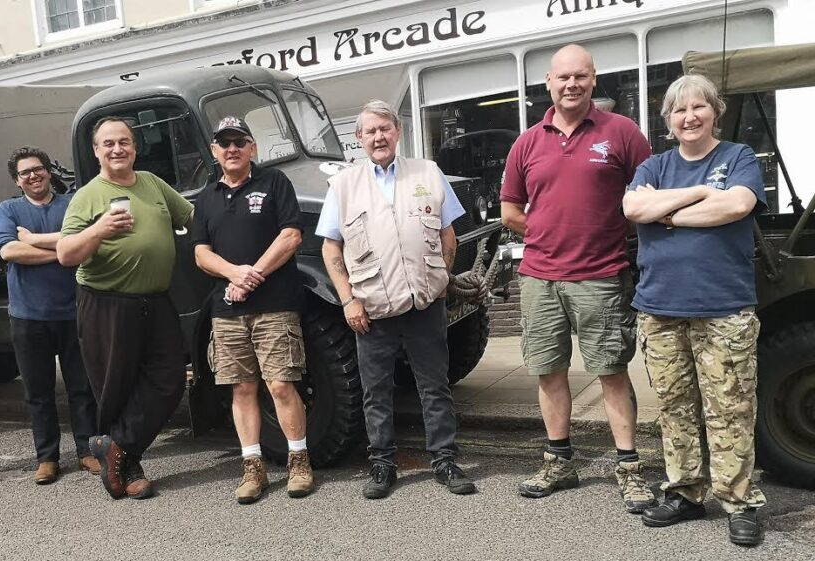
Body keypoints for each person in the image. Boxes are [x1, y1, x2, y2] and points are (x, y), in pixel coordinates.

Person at [500, 44, 655, 512]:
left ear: (593, 79)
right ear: (548, 82)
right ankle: (559, 463)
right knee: (549, 372)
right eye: (563, 77)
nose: (572, 84)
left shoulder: (623, 133)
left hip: (602, 276)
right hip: (540, 278)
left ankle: (629, 468)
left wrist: (603, 230)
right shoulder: (527, 142)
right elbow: (510, 209)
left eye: (581, 76)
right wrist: (550, 233)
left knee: (610, 372)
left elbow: (647, 198)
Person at [622, 73, 767, 546]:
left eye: (699, 107)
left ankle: (739, 502)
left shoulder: (737, 157)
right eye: (679, 110)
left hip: (723, 307)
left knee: (730, 408)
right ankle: (685, 492)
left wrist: (667, 213)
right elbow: (633, 209)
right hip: (661, 308)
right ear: (668, 120)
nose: (690, 117)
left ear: (714, 111)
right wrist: (700, 193)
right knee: (674, 408)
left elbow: (737, 205)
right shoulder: (654, 165)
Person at [316, 100, 476, 499]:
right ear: (359, 139)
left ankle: (443, 459)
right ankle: (382, 463)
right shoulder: (344, 185)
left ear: (398, 131)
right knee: (376, 391)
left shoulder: (427, 172)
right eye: (370, 131)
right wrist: (348, 301)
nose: (378, 137)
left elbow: (447, 234)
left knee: (434, 386)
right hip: (372, 310)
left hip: (425, 303)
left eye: (385, 128)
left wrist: (441, 279)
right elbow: (330, 249)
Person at [57, 116, 194, 500]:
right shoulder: (88, 195)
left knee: (169, 381)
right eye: (109, 144)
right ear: (96, 151)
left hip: (156, 299)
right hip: (106, 303)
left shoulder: (152, 183)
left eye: (125, 142)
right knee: (116, 387)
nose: (118, 149)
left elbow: (192, 217)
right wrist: (99, 229)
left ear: (135, 147)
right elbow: (67, 254)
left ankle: (114, 447)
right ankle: (127, 466)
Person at [192, 116, 314, 504]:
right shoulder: (206, 198)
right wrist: (232, 274)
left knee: (280, 384)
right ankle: (253, 468)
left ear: (252, 148)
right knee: (242, 389)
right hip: (226, 312)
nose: (232, 149)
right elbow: (200, 253)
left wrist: (252, 275)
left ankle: (299, 461)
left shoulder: (275, 183)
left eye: (239, 142)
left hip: (275, 307)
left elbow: (291, 235)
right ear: (214, 151)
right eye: (224, 143)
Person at [0, 146, 100, 485]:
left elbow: (87, 240)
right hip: (28, 317)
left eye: (37, 169)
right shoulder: (8, 209)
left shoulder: (70, 205)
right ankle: (47, 457)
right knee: (38, 392)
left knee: (82, 388)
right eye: (24, 172)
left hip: (73, 312)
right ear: (17, 180)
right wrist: (64, 251)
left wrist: (39, 244)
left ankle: (87, 450)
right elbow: (9, 250)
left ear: (49, 171)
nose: (33, 176)